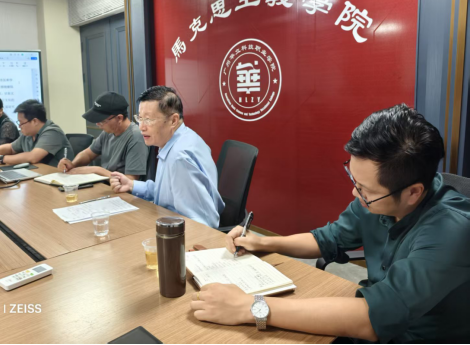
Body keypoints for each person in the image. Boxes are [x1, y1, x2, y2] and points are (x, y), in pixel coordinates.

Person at [191, 104, 470, 343]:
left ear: (413, 193)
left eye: (365, 190)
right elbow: (329, 238)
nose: (355, 193)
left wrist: (250, 307)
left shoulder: (452, 230)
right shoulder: (377, 199)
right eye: (354, 180)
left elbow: (372, 318)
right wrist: (263, 242)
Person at [110, 86, 225, 229]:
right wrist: (131, 184)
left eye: (148, 119)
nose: (141, 127)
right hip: (171, 221)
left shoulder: (179, 157)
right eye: (140, 118)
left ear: (173, 120)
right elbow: (167, 192)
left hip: (184, 233)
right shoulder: (177, 140)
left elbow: (202, 223)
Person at [57, 92, 148, 180]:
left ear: (119, 118)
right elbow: (88, 154)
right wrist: (72, 165)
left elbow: (131, 180)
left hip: (120, 189)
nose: (97, 124)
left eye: (102, 121)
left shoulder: (135, 137)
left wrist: (97, 170)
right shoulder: (108, 132)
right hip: (104, 184)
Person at [0, 99, 74, 167]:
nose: (19, 126)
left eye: (21, 123)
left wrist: (2, 159)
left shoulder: (52, 132)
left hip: (57, 178)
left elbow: (33, 157)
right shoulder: (28, 134)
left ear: (34, 121)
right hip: (38, 174)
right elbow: (11, 148)